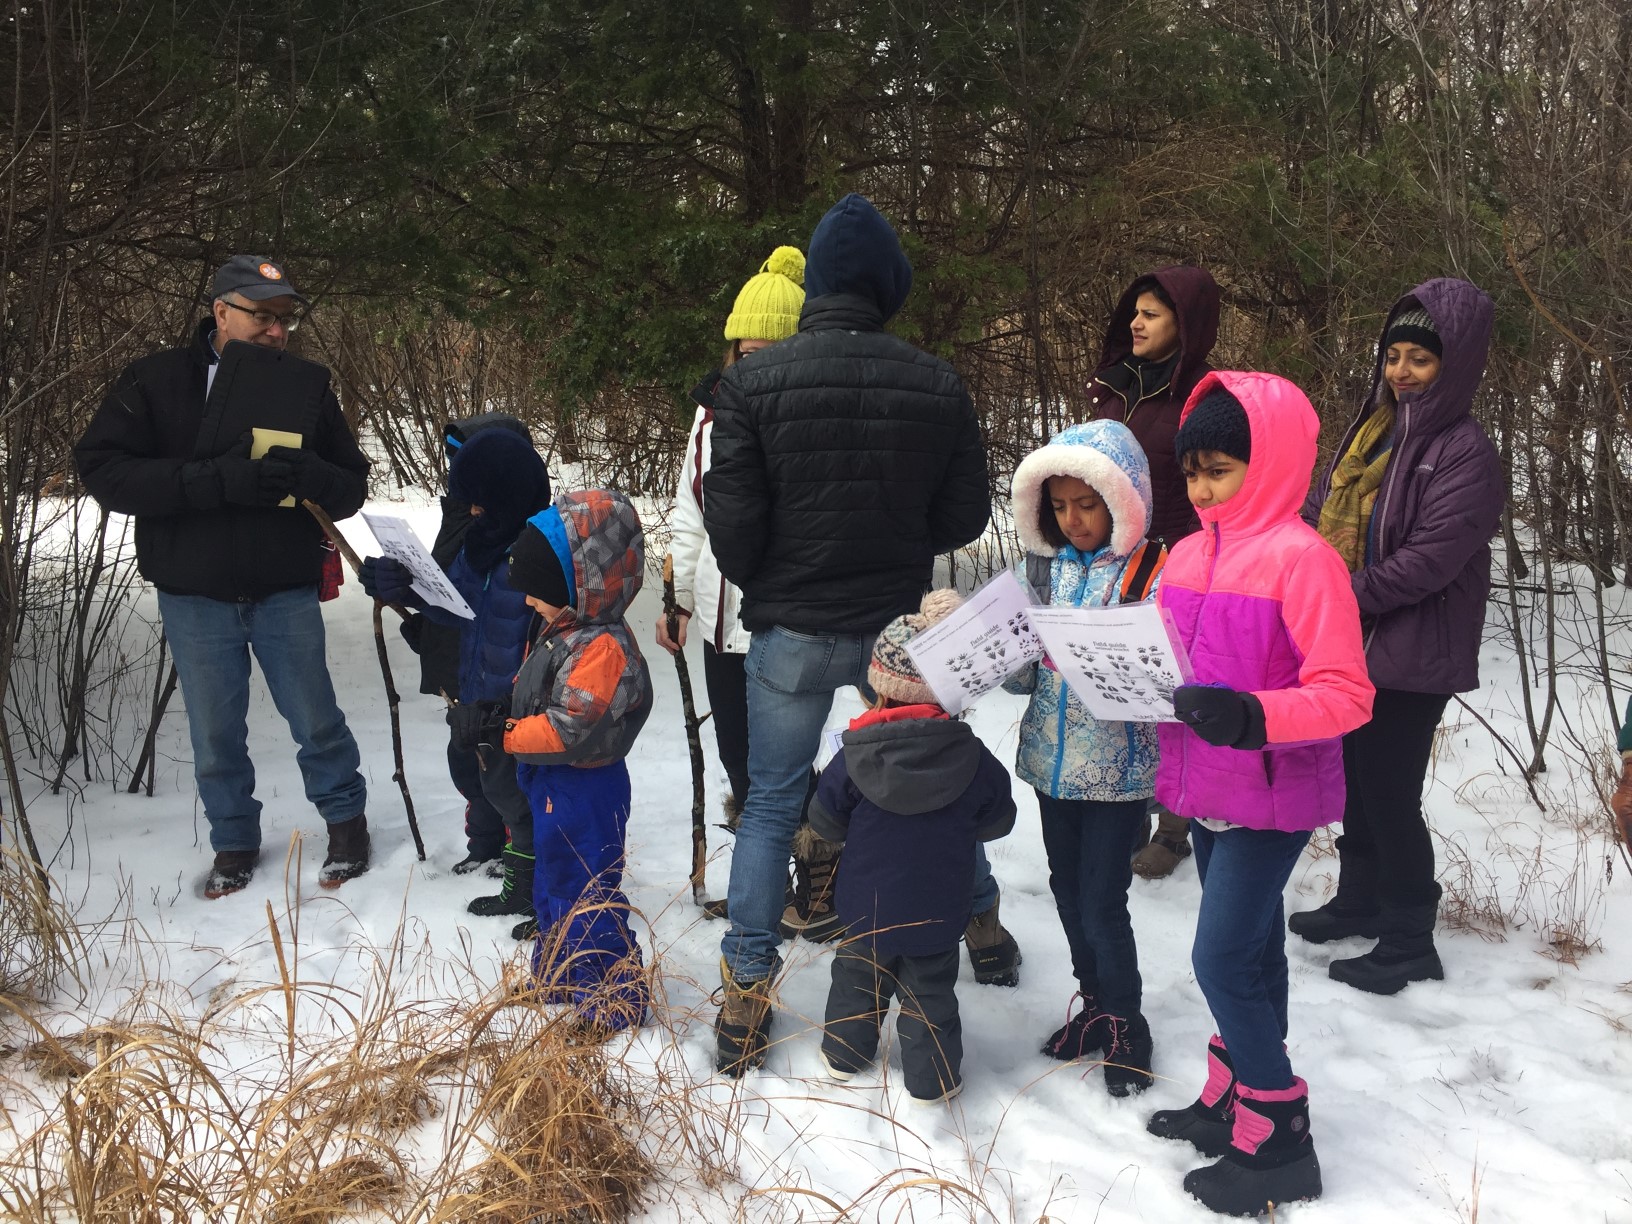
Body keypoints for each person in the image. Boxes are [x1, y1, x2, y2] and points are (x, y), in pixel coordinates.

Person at [702, 192, 1003, 1077]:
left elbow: (733, 525)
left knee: (769, 805)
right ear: (889, 286)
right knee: (926, 784)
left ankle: (746, 996)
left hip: (792, 625)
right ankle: (979, 926)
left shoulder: (752, 382)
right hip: (890, 629)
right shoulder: (935, 381)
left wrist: (774, 581)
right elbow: (962, 514)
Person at [1142, 375, 1374, 1216]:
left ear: (1269, 462)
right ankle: (1233, 1093)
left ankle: (1279, 1136)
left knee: (1219, 957)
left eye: (1221, 468)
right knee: (1254, 950)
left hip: (1271, 793)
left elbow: (1348, 693)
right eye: (1193, 469)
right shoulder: (1187, 550)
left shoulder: (1303, 559)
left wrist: (1251, 715)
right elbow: (1170, 659)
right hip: (1206, 786)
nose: (1202, 486)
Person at [75, 256, 372, 897]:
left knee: (316, 717)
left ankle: (347, 823)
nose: (276, 330)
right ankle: (234, 841)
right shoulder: (156, 381)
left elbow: (350, 483)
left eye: (284, 318)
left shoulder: (305, 388)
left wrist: (307, 475)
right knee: (215, 734)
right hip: (194, 591)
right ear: (220, 311)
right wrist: (210, 481)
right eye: (262, 315)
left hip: (283, 587)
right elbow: (103, 471)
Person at [1292, 280, 1504, 996]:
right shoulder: (1371, 429)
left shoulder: (1465, 452)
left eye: (1420, 359)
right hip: (1353, 642)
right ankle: (1360, 902)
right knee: (1354, 780)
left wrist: (1337, 596)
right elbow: (1321, 508)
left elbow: (1430, 559)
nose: (1401, 371)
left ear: (1456, 363)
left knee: (1388, 791)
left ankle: (1410, 935)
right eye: (1393, 355)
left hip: (1415, 652)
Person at [659, 245, 838, 940]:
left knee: (783, 767)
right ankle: (775, 881)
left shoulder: (810, 421)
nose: (753, 363)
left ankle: (819, 877)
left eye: (770, 350)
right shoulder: (709, 417)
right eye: (745, 349)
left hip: (784, 620)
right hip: (717, 621)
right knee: (742, 762)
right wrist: (677, 599)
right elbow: (688, 512)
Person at [1007, 419, 1166, 1096]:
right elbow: (1016, 676)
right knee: (1068, 891)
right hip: (1051, 762)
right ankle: (1094, 1004)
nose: (1074, 520)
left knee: (1103, 901)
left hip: (1118, 771)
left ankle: (1128, 1021)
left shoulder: (1150, 570)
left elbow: (1166, 673)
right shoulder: (1040, 572)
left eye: (1089, 505)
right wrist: (1015, 652)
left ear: (1121, 503)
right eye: (1062, 506)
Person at [812, 590, 1016, 1104]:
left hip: (864, 909)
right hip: (938, 913)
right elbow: (998, 820)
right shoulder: (973, 758)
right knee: (931, 996)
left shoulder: (853, 757)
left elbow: (825, 821)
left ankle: (844, 1054)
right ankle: (934, 1080)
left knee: (857, 980)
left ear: (879, 692)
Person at [471, 490, 653, 1032]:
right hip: (554, 784)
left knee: (587, 890)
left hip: (585, 789)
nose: (529, 603)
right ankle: (563, 973)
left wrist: (498, 732)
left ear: (580, 586)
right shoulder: (567, 630)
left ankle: (614, 994)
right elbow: (543, 697)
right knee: (554, 882)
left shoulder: (601, 647)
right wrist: (501, 710)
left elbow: (567, 729)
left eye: (538, 593)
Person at [358, 427, 552, 930]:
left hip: (518, 707)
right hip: (475, 695)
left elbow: (553, 640)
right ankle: (494, 856)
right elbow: (455, 606)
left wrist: (510, 708)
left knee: (517, 797)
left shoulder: (541, 552)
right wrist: (401, 584)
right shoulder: (480, 545)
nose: (470, 514)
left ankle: (528, 890)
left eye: (479, 504)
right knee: (477, 778)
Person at [1089, 266, 1222, 880]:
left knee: (1173, 691)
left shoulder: (1204, 393)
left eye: (1153, 314)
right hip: (1116, 557)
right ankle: (1130, 808)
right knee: (1122, 683)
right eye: (1135, 312)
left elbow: (1211, 479)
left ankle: (1174, 825)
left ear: (1185, 325)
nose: (1137, 323)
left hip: (1178, 557)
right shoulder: (1115, 387)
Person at [406, 414, 534, 877]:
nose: (472, 508)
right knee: (468, 765)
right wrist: (408, 594)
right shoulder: (474, 536)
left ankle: (522, 859)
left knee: (509, 781)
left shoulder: (533, 543)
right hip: (471, 681)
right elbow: (456, 601)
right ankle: (483, 843)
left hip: (512, 694)